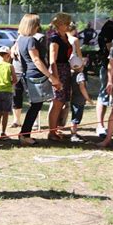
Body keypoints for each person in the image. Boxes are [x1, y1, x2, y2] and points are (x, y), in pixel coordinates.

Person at [17, 14, 60, 146]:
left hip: (28, 74)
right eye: (37, 24)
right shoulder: (30, 40)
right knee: (36, 105)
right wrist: (51, 77)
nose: (39, 27)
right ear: (33, 26)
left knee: (36, 105)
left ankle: (25, 133)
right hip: (35, 76)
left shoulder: (20, 39)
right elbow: (36, 60)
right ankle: (25, 134)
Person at [96, 4, 113, 138]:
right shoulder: (110, 27)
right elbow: (110, 50)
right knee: (104, 95)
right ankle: (100, 126)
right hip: (110, 66)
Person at [48, 13, 73, 141]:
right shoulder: (55, 39)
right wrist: (55, 79)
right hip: (58, 71)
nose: (69, 25)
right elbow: (52, 61)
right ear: (60, 24)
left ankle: (56, 130)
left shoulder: (65, 37)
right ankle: (51, 133)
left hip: (66, 69)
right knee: (57, 103)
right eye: (67, 23)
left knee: (61, 102)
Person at [0, 46, 17, 139]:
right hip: (7, 91)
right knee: (5, 113)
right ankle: (3, 133)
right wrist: (10, 83)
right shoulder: (10, 66)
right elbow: (14, 79)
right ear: (8, 55)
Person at [70, 66, 93, 142]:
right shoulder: (80, 75)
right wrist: (88, 98)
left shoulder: (73, 74)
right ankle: (73, 135)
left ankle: (74, 133)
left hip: (74, 99)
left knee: (75, 116)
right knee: (76, 118)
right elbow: (82, 87)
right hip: (79, 100)